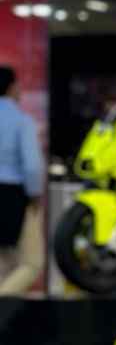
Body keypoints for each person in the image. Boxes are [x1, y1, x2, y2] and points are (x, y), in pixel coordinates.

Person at [0, 65, 43, 296]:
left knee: (4, 260)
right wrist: (35, 194)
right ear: (11, 87)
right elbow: (32, 165)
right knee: (32, 262)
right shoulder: (21, 120)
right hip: (14, 194)